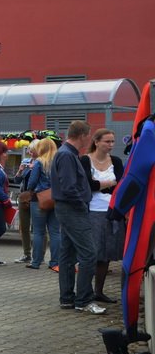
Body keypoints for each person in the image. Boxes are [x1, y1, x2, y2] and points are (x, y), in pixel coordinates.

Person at [51, 120, 105, 314]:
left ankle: (67, 298)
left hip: (67, 208)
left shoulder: (65, 154)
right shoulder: (67, 156)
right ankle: (84, 299)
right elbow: (69, 187)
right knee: (89, 253)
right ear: (82, 136)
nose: (88, 139)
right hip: (73, 209)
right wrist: (81, 204)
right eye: (88, 136)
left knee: (67, 254)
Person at [83, 128, 125, 303]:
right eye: (107, 141)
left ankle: (99, 291)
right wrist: (109, 183)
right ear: (96, 142)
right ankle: (85, 291)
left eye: (112, 142)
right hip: (92, 211)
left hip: (111, 211)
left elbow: (121, 185)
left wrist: (100, 184)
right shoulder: (85, 160)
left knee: (107, 252)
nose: (111, 145)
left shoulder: (116, 161)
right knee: (93, 252)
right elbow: (87, 185)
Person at [25, 138, 61, 272]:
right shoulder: (59, 162)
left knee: (39, 232)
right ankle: (55, 262)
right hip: (56, 199)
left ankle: (36, 262)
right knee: (55, 232)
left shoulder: (39, 163)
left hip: (39, 200)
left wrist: (30, 189)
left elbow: (32, 183)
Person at [11, 142, 37, 263]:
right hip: (24, 197)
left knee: (38, 228)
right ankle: (27, 254)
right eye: (29, 150)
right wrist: (20, 170)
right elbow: (17, 180)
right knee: (24, 227)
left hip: (37, 197)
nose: (29, 153)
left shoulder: (44, 162)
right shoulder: (27, 161)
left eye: (32, 150)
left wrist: (35, 168)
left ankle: (38, 256)